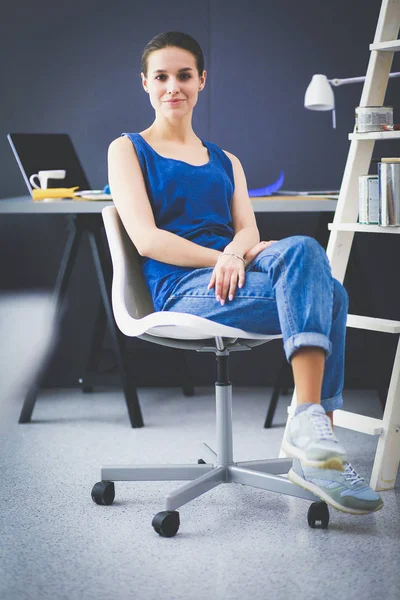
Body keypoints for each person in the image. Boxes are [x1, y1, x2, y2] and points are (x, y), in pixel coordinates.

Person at [108, 31, 383, 515]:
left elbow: (247, 230)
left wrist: (238, 253)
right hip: (182, 286)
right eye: (162, 77)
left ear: (202, 81)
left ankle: (311, 431)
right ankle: (319, 448)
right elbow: (148, 240)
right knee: (333, 295)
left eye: (184, 76)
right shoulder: (128, 149)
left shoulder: (225, 159)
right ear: (145, 85)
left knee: (302, 249)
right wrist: (226, 258)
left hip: (237, 269)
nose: (174, 86)